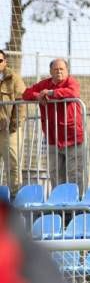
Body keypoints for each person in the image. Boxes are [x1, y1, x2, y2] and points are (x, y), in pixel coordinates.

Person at [22, 58, 85, 193]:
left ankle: (79, 203)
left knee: (75, 174)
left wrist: (51, 93)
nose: (59, 72)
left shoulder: (71, 82)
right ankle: (59, 203)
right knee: (55, 174)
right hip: (52, 138)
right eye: (56, 69)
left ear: (67, 71)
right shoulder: (44, 84)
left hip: (72, 137)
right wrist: (38, 95)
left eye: (62, 69)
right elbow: (26, 94)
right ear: (50, 71)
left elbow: (73, 92)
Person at [0, 50, 26, 195]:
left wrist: (14, 125)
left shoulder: (13, 78)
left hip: (8, 130)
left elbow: (21, 102)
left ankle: (15, 197)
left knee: (13, 165)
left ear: (5, 62)